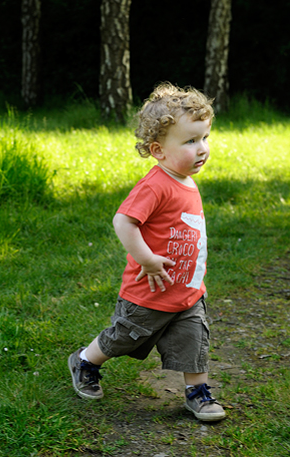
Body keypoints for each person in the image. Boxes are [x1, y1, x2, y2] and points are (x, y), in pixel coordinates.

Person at [68, 83, 225, 422]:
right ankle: (85, 361)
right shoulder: (155, 184)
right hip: (148, 293)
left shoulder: (187, 181)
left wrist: (197, 280)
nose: (202, 149)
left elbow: (190, 237)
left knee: (194, 339)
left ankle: (197, 392)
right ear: (158, 150)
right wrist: (147, 259)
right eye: (190, 141)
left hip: (186, 292)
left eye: (205, 138)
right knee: (122, 338)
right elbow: (123, 221)